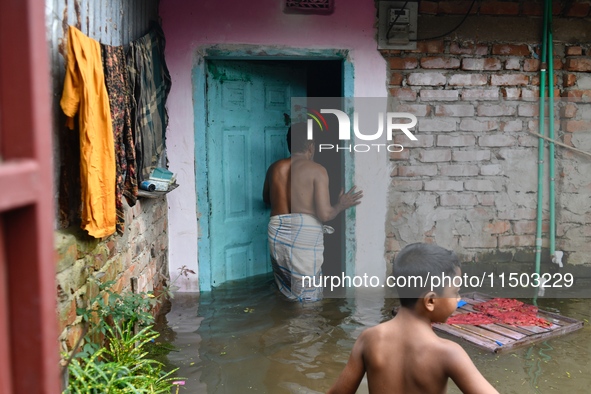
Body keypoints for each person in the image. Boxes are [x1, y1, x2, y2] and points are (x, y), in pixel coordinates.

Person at [327, 243, 499, 394]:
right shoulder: (448, 353)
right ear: (431, 301)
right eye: (455, 292)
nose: (458, 299)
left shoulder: (368, 338)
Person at [263, 123, 362, 301]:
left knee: (286, 289)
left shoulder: (274, 168)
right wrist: (341, 204)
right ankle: (305, 328)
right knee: (308, 295)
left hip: (276, 229)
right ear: (311, 145)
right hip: (304, 233)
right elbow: (325, 215)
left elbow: (266, 199)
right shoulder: (317, 170)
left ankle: (284, 327)